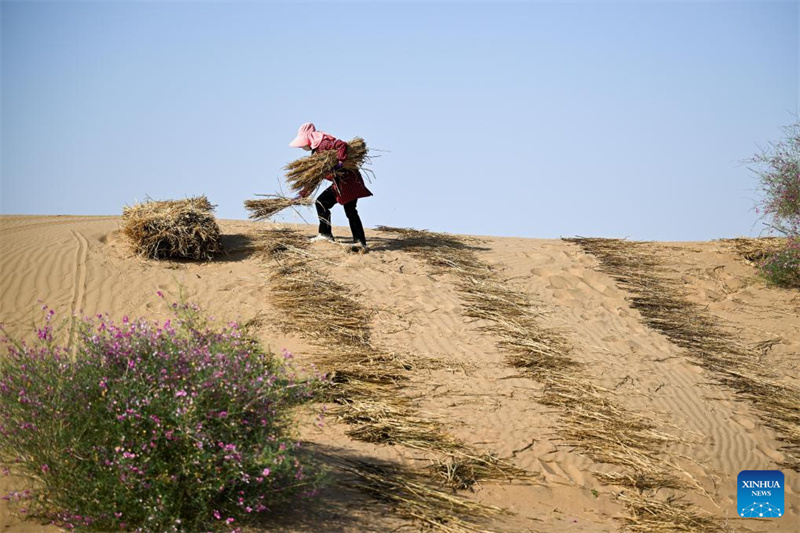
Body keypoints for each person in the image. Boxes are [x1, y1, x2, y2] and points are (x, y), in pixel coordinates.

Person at [289, 122, 372, 252]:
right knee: (322, 203)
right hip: (339, 184)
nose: (302, 146)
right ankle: (326, 234)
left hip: (348, 181)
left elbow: (341, 144)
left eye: (302, 142)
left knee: (350, 211)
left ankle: (360, 243)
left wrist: (340, 161)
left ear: (308, 138)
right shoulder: (316, 153)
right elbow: (314, 177)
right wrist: (302, 194)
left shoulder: (324, 143)